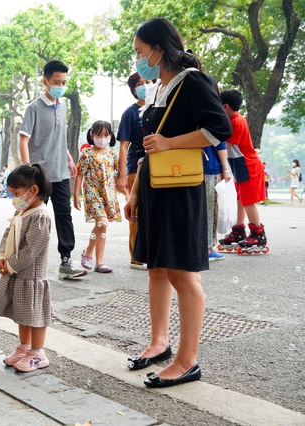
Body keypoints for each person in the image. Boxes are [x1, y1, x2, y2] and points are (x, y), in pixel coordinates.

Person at [123, 18, 232, 388]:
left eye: (141, 52)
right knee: (157, 267)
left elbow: (220, 129)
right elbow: (144, 149)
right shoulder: (158, 89)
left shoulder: (192, 81)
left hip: (180, 187)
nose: (139, 60)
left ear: (159, 47)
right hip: (155, 186)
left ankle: (187, 361)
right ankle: (159, 343)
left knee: (182, 272)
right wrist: (135, 191)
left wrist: (170, 143)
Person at [19, 60, 87, 280]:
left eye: (64, 82)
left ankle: (66, 261)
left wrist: (68, 157)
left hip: (60, 172)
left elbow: (58, 136)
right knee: (31, 217)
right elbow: (23, 139)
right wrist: (27, 170)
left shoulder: (63, 105)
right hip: (39, 174)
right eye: (57, 81)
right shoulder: (34, 108)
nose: (61, 85)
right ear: (45, 82)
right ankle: (20, 260)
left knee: (64, 216)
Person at [0, 164, 53, 372]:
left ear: (33, 190)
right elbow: (7, 234)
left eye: (16, 193)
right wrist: (1, 257)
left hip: (31, 276)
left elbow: (32, 249)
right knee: (23, 315)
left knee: (36, 316)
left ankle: (38, 352)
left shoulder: (40, 216)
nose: (13, 198)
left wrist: (11, 265)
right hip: (19, 274)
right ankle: (24, 347)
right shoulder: (22, 211)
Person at [218, 89, 268, 253]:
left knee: (247, 201)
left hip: (248, 166)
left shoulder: (237, 122)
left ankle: (258, 234)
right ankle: (239, 230)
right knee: (240, 199)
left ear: (225, 106)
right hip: (240, 166)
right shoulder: (234, 120)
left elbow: (227, 146)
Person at [116, 72, 154, 270]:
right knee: (135, 213)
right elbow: (123, 146)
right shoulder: (130, 113)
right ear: (133, 89)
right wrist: (122, 176)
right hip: (134, 169)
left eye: (148, 82)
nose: (145, 86)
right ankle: (136, 256)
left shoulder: (157, 108)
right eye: (140, 83)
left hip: (155, 167)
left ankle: (151, 252)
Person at [73, 121, 122, 273]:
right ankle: (88, 251)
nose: (103, 138)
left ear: (111, 136)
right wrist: (76, 195)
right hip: (92, 192)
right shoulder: (87, 154)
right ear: (92, 135)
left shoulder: (112, 155)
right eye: (99, 134)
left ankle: (99, 263)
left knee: (104, 227)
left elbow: (117, 177)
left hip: (108, 193)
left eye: (106, 135)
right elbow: (79, 175)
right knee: (102, 222)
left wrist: (126, 193)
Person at [203, 139, 230, 261]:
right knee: (210, 208)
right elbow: (221, 143)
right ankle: (207, 248)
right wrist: (225, 168)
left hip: (187, 168)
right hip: (210, 167)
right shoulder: (214, 120)